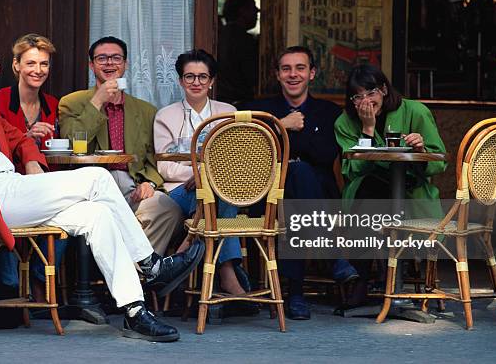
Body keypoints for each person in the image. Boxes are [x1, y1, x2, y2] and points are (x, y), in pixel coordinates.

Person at [0, 29, 204, 342]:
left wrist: (32, 162)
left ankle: (134, 311)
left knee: (97, 215)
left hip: (15, 189)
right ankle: (150, 264)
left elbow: (18, 138)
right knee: (98, 177)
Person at [242, 46, 358, 320]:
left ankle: (294, 293)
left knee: (300, 175)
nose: (293, 74)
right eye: (286, 69)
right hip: (268, 195)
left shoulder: (328, 112)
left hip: (318, 194)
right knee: (296, 177)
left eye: (300, 68)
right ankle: (331, 259)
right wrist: (284, 125)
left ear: (312, 73)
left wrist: (284, 147)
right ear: (277, 75)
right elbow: (247, 151)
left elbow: (325, 153)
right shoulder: (261, 110)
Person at [58, 36, 184, 256]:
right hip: (93, 185)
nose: (109, 63)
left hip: (131, 184)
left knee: (168, 209)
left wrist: (149, 183)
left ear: (126, 64)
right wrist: (97, 101)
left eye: (116, 58)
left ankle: (137, 271)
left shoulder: (145, 110)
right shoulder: (72, 102)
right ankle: (139, 272)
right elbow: (70, 143)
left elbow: (152, 158)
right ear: (91, 65)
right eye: (102, 58)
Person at [153, 49, 252, 298]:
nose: (196, 82)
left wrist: (204, 177)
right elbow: (165, 167)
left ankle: (190, 243)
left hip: (220, 190)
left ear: (212, 81)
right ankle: (228, 274)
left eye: (202, 77)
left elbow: (237, 159)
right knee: (221, 194)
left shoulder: (228, 112)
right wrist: (200, 173)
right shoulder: (165, 115)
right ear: (180, 81)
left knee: (220, 192)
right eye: (189, 77)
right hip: (178, 191)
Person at [0, 33, 66, 302]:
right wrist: (27, 135)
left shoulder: (53, 104)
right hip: (8, 185)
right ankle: (13, 285)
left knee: (71, 212)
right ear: (17, 65)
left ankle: (41, 279)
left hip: (41, 182)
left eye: (44, 64)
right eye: (31, 63)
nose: (38, 70)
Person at [334, 63, 447, 217]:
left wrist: (421, 151)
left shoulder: (416, 112)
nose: (366, 101)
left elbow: (439, 163)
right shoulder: (344, 122)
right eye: (358, 96)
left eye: (371, 93)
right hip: (365, 190)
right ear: (352, 100)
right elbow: (354, 171)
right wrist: (368, 129)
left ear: (384, 90)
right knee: (372, 188)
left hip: (410, 189)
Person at [217, 0, 259, 106]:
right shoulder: (244, 40)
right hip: (239, 103)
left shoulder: (218, 36)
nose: (257, 11)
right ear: (242, 11)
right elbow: (251, 76)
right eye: (253, 7)